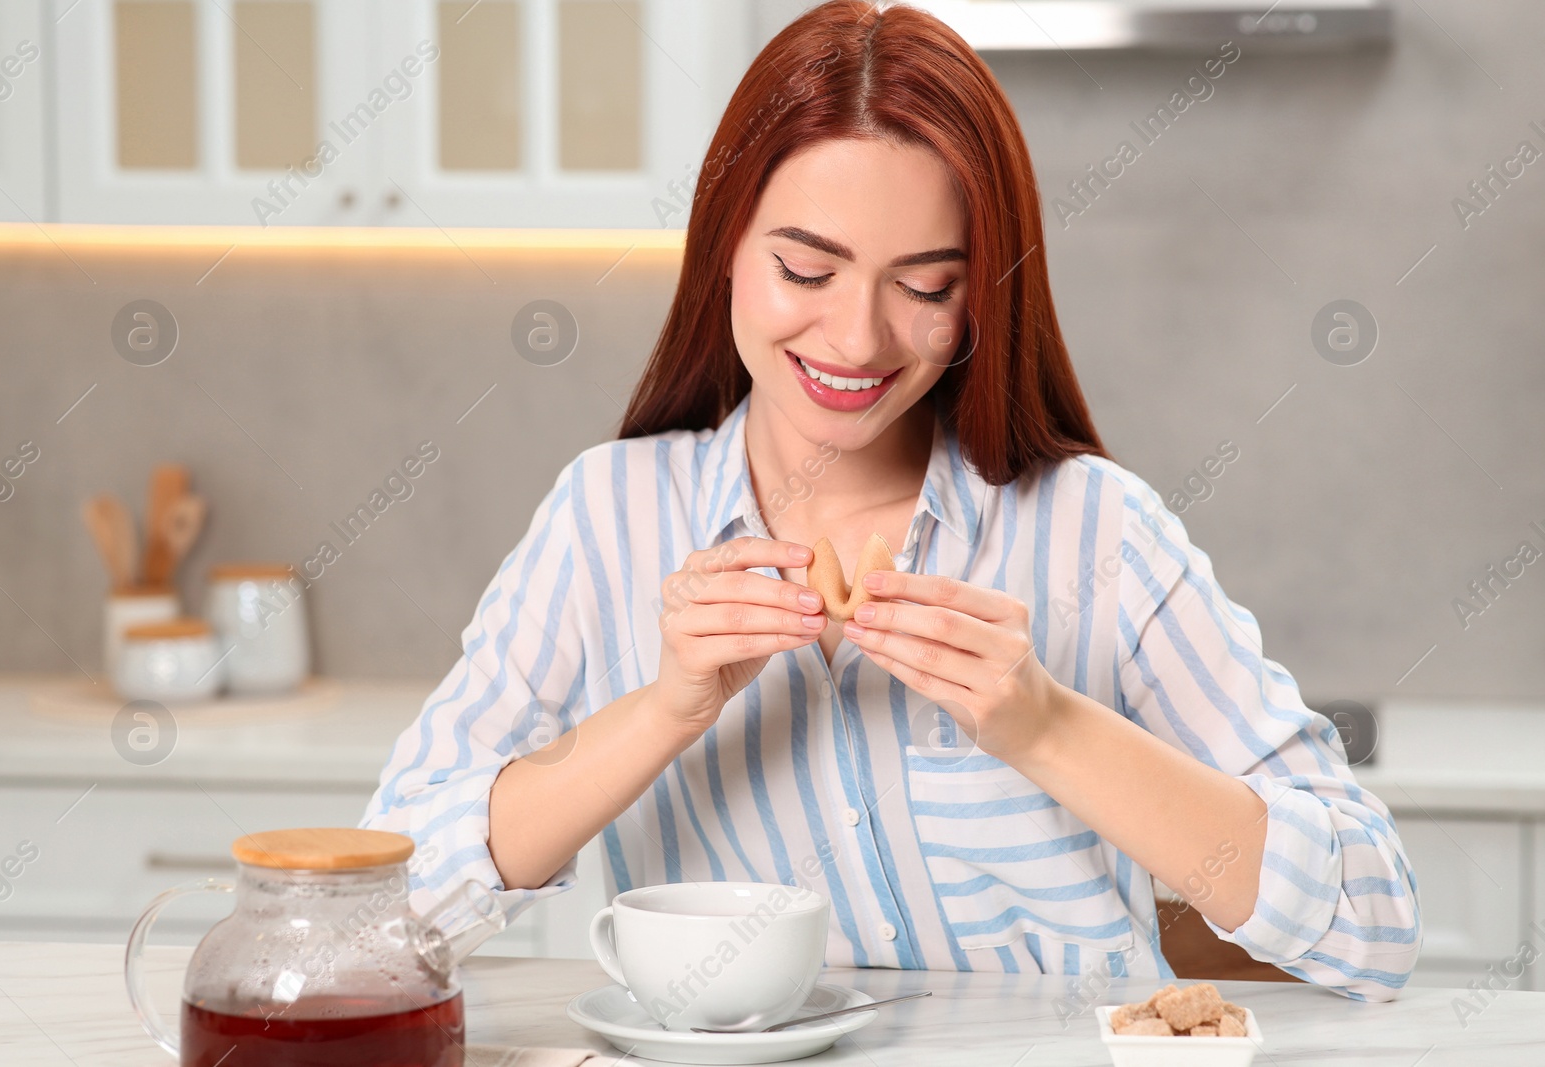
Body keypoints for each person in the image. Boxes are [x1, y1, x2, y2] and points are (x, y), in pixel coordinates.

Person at [364, 0, 1419, 1001]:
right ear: (723, 248)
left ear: (979, 300)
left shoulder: (1095, 529)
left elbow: (1372, 926)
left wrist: (1045, 726)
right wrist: (662, 710)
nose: (858, 340)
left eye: (923, 287)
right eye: (804, 269)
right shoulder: (608, 517)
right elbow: (383, 914)